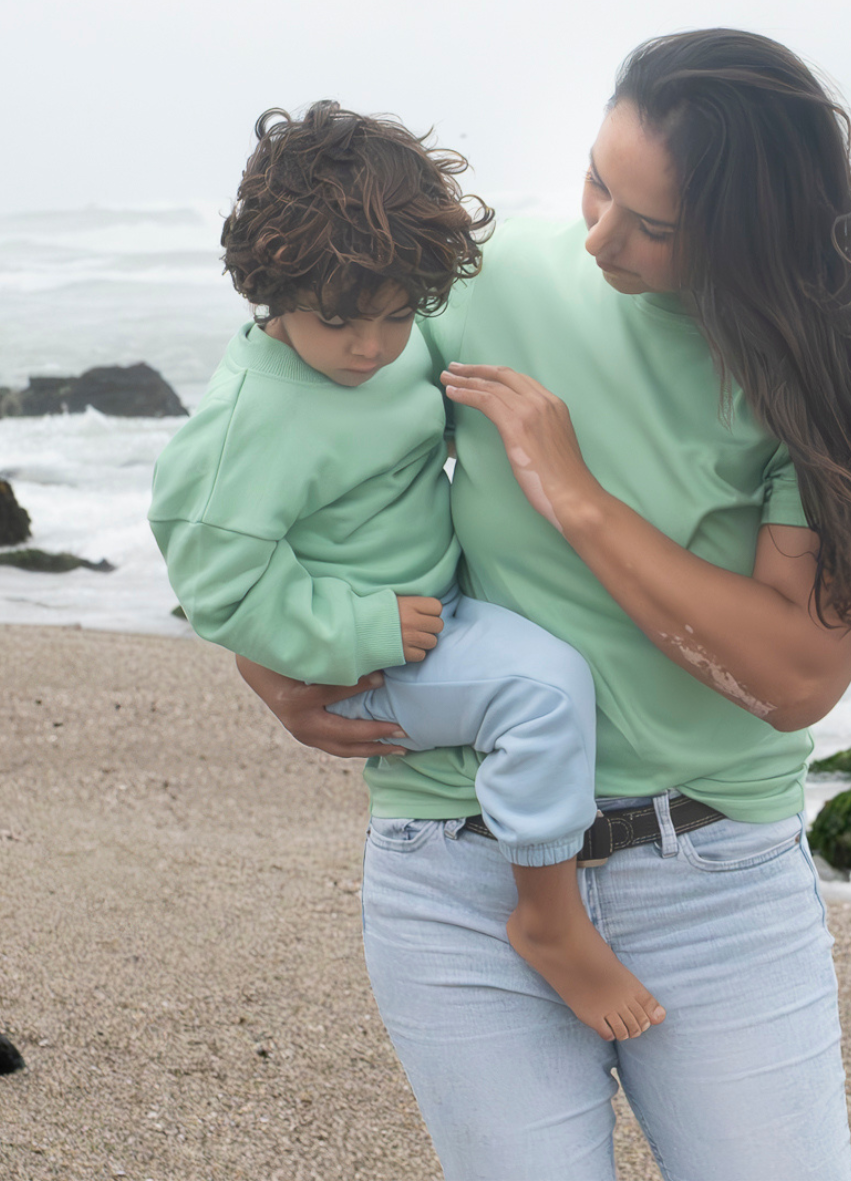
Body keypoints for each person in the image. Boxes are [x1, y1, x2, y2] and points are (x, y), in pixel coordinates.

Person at [236, 31, 851, 1181]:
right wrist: (266, 656)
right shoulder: (486, 278)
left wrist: (577, 499)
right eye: (595, 183)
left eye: (651, 226)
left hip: (716, 883)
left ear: (753, 226)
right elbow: (274, 424)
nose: (598, 236)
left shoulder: (831, 381)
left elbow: (794, 678)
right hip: (457, 868)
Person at [149, 101, 668, 1044]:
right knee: (546, 691)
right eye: (344, 321)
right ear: (270, 283)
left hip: (436, 609)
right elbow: (218, 584)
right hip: (374, 654)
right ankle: (549, 918)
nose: (374, 348)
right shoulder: (244, 424)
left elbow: (460, 320)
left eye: (398, 315)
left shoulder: (392, 338)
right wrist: (361, 631)